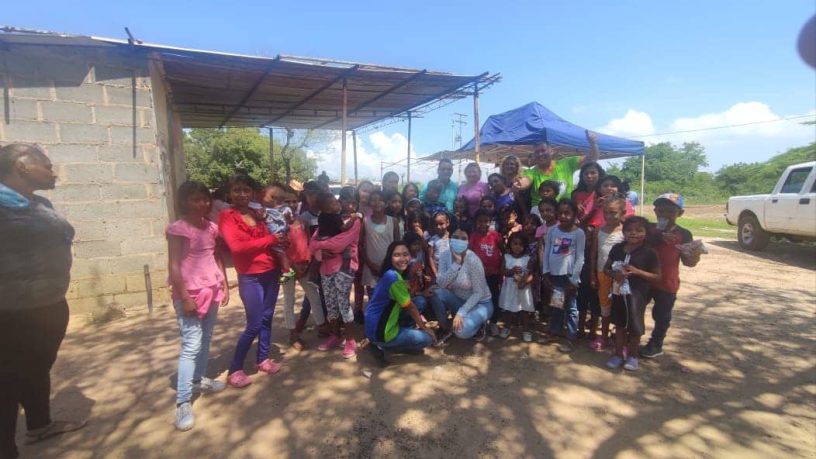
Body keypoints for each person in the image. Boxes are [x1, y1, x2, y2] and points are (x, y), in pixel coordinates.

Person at [0, 144, 85, 458]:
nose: (53, 172)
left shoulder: (38, 203)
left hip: (48, 306)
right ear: (22, 166)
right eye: (47, 166)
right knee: (7, 383)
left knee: (37, 369)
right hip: (11, 314)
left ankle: (39, 425)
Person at [166, 181, 230, 431]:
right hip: (189, 292)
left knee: (206, 337)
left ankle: (197, 379)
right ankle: (183, 402)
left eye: (205, 199)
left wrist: (224, 284)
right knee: (191, 344)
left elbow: (215, 256)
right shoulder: (178, 229)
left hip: (211, 288)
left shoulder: (211, 227)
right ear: (184, 201)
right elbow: (173, 264)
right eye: (195, 199)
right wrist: (184, 296)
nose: (202, 203)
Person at [219, 173, 285, 388]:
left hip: (271, 272)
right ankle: (235, 369)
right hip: (250, 276)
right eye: (237, 190)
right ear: (230, 193)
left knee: (267, 318)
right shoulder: (227, 216)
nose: (242, 194)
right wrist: (270, 239)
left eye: (246, 190)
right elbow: (237, 247)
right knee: (254, 323)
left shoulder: (257, 214)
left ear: (252, 193)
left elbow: (275, 235)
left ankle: (262, 359)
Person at [640, 193, 700, 359]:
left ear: (680, 213)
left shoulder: (684, 234)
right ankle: (632, 336)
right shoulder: (648, 229)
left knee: (662, 315)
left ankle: (656, 343)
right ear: (655, 211)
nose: (665, 214)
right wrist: (659, 237)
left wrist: (694, 256)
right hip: (644, 278)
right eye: (661, 210)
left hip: (667, 282)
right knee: (636, 309)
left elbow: (688, 262)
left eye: (670, 211)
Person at [365, 241, 437, 367]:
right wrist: (424, 327)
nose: (402, 259)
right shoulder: (394, 278)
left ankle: (394, 338)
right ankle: (382, 346)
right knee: (427, 339)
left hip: (375, 325)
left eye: (405, 254)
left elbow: (408, 300)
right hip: (382, 332)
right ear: (390, 257)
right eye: (397, 255)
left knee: (419, 301)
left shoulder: (390, 273)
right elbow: (410, 307)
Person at [310, 192, 362, 359]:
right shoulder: (327, 219)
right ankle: (336, 335)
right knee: (330, 304)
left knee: (343, 303)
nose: (349, 205)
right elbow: (311, 244)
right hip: (326, 269)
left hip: (343, 269)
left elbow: (339, 244)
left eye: (353, 203)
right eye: (345, 201)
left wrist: (320, 246)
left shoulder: (355, 221)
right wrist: (319, 251)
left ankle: (350, 340)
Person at [604, 217, 661, 371]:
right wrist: (614, 274)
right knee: (619, 325)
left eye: (638, 230)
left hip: (637, 295)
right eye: (629, 230)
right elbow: (606, 269)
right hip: (618, 293)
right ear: (623, 232)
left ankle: (633, 356)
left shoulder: (649, 252)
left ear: (646, 233)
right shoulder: (617, 248)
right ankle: (618, 355)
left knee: (635, 326)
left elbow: (657, 276)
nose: (633, 233)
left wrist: (637, 272)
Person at [431, 229, 494, 342]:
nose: (459, 241)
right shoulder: (444, 255)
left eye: (463, 238)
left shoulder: (473, 260)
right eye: (456, 237)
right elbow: (441, 283)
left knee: (461, 331)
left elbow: (478, 293)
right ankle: (445, 328)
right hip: (460, 301)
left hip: (481, 304)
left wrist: (461, 312)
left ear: (468, 242)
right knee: (436, 292)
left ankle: (480, 324)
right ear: (450, 239)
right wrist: (456, 264)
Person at [542, 198, 586, 353]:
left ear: (574, 214)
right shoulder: (552, 231)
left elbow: (580, 258)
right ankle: (555, 332)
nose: (563, 216)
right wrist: (546, 272)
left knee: (571, 307)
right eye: (560, 213)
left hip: (569, 276)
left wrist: (574, 280)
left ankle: (571, 337)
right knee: (557, 304)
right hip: (554, 275)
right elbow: (547, 251)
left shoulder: (579, 233)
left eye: (567, 213)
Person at [519, 131, 600, 206]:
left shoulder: (567, 163)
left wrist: (593, 144)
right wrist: (519, 184)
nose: (540, 154)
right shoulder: (531, 172)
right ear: (534, 155)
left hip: (564, 210)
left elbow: (591, 159)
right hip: (541, 211)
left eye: (543, 150)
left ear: (551, 151)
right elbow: (525, 181)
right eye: (537, 152)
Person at [588, 195, 626, 351]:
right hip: (601, 274)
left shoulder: (626, 232)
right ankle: (603, 337)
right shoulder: (599, 230)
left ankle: (621, 340)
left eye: (613, 212)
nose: (609, 216)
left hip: (620, 277)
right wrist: (592, 274)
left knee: (621, 307)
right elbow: (594, 253)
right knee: (605, 306)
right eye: (606, 212)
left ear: (623, 213)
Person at [468, 209, 504, 336]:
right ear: (475, 222)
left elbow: (503, 251)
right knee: (478, 298)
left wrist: (501, 269)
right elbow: (469, 254)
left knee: (494, 297)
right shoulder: (473, 236)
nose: (483, 224)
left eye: (486, 221)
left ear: (491, 222)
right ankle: (480, 323)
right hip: (478, 275)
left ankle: (493, 323)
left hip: (494, 274)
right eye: (480, 221)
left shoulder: (496, 235)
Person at [360, 191, 400, 297]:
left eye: (380, 200)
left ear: (386, 204)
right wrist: (370, 265)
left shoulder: (393, 221)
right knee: (374, 299)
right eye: (373, 200)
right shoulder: (365, 222)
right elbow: (360, 245)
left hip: (390, 268)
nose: (377, 202)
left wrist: (391, 264)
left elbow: (398, 246)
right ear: (369, 204)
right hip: (371, 270)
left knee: (390, 299)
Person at [498, 233, 535, 341]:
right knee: (508, 309)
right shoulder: (506, 257)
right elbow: (502, 271)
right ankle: (507, 327)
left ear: (525, 246)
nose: (518, 247)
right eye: (515, 243)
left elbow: (531, 274)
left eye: (521, 244)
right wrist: (511, 271)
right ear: (510, 244)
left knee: (524, 309)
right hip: (509, 288)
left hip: (523, 288)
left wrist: (525, 282)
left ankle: (526, 330)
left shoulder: (527, 258)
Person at [257, 183, 296, 283]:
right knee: (278, 253)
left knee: (280, 253)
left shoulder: (283, 209)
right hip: (273, 235)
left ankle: (287, 270)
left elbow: (291, 221)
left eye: (264, 196)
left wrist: (288, 218)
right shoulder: (265, 210)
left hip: (279, 235)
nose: (261, 198)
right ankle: (284, 269)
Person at [426, 211, 451, 278]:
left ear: (447, 222)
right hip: (437, 269)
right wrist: (435, 272)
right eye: (436, 224)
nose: (438, 227)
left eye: (441, 224)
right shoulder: (433, 240)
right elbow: (430, 257)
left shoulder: (452, 238)